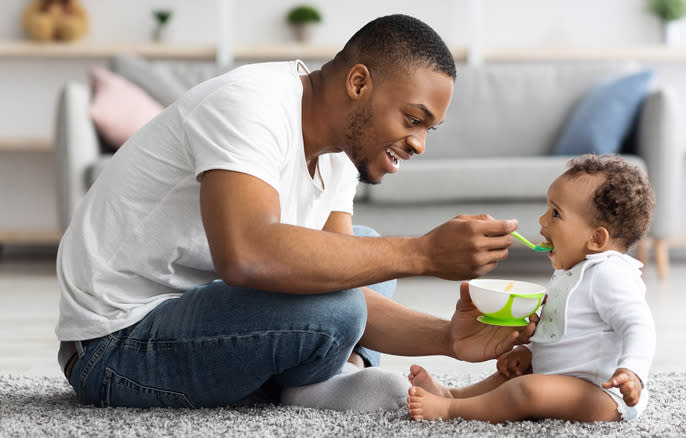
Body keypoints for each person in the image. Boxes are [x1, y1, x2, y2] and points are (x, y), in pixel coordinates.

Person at [55, 14, 535, 410]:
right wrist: (423, 253)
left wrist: (449, 337)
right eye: (413, 120)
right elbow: (246, 255)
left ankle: (324, 380)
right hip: (114, 348)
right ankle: (323, 383)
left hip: (205, 317)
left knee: (357, 255)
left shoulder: (340, 154)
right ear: (359, 82)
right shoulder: (250, 106)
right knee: (352, 281)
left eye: (430, 129)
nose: (419, 144)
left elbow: (342, 284)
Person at [407, 154, 657, 423]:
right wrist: (530, 353)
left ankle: (450, 411)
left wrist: (632, 372)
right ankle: (453, 395)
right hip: (566, 382)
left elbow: (639, 326)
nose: (542, 220)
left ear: (596, 238)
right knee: (512, 375)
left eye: (556, 213)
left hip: (602, 395)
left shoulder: (609, 273)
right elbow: (563, 332)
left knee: (526, 390)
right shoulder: (572, 273)